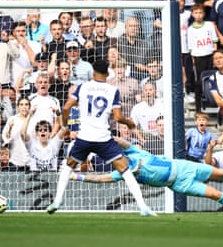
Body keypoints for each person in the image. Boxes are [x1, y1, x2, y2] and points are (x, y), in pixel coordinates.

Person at [46, 60, 155, 216]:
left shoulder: (82, 87)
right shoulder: (112, 90)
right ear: (107, 72)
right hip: (104, 138)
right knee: (125, 170)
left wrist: (64, 125)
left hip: (84, 137)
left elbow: (66, 107)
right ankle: (143, 206)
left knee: (68, 167)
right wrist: (129, 122)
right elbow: (117, 118)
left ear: (93, 71)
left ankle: (57, 200)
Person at [69, 136, 223, 215]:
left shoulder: (133, 152)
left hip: (183, 166)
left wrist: (104, 138)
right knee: (215, 195)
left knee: (221, 173)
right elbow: (101, 179)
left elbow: (121, 141)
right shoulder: (123, 172)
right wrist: (77, 177)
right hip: (178, 183)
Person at [187, 2, 218, 111]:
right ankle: (198, 106)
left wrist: (215, 54)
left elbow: (214, 40)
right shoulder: (190, 29)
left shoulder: (209, 25)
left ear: (204, 14)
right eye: (196, 13)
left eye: (200, 12)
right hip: (199, 57)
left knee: (212, 79)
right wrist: (193, 60)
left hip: (210, 55)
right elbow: (191, 47)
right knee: (199, 81)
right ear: (192, 14)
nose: (198, 15)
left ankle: (214, 102)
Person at [20, 105, 66, 172]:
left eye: (45, 129)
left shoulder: (55, 143)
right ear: (36, 133)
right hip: (34, 179)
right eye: (40, 130)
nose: (42, 131)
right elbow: (22, 133)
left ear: (50, 132)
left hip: (51, 178)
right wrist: (29, 115)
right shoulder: (32, 144)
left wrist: (58, 113)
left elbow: (64, 128)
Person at [1, 96, 32, 171]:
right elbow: (6, 138)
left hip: (31, 160)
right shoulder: (12, 119)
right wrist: (10, 128)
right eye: (21, 104)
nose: (24, 107)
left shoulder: (34, 120)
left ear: (30, 107)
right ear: (18, 107)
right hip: (15, 159)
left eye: (26, 104)